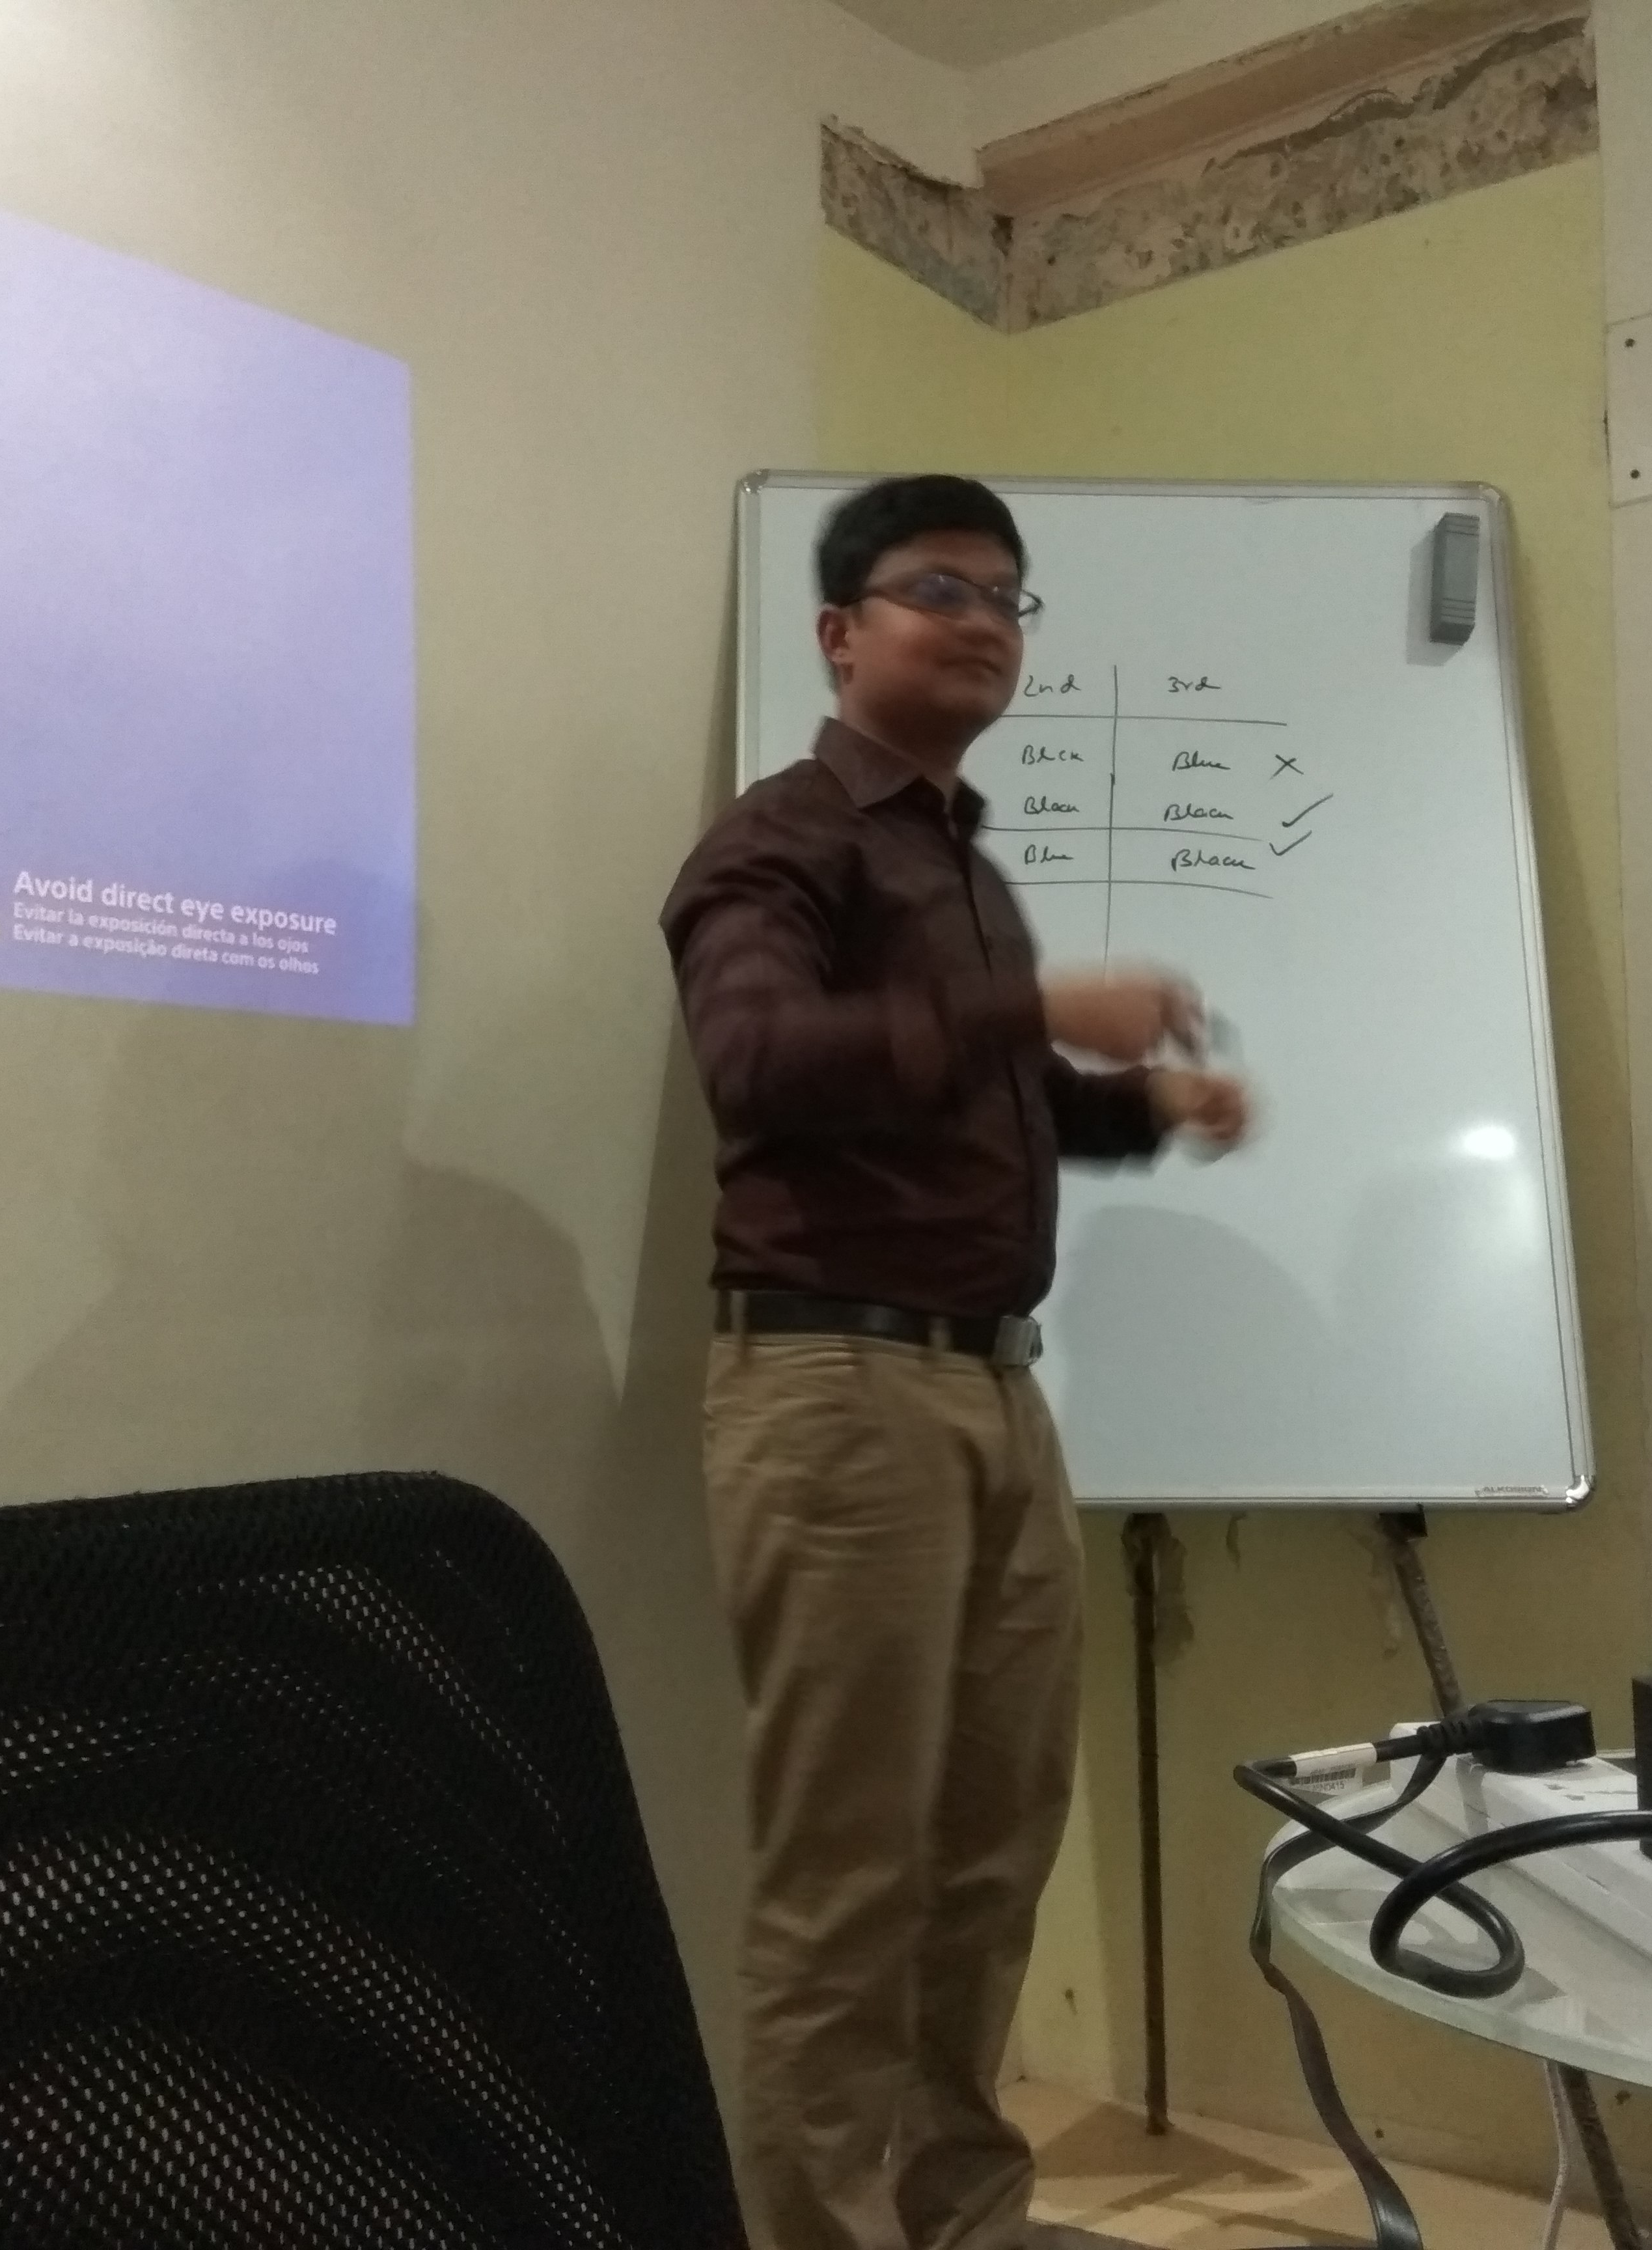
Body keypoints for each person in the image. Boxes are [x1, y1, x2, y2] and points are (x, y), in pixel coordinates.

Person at [661, 475, 1251, 2250]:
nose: (986, 621)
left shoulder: (954, 865)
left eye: (1008, 598)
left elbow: (985, 1094)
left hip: (992, 1392)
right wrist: (1034, 1008)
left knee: (990, 1856)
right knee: (847, 1876)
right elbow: (760, 1058)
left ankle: (962, 2220)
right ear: (840, 633)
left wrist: (1141, 1105)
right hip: (837, 1394)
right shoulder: (781, 842)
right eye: (941, 588)